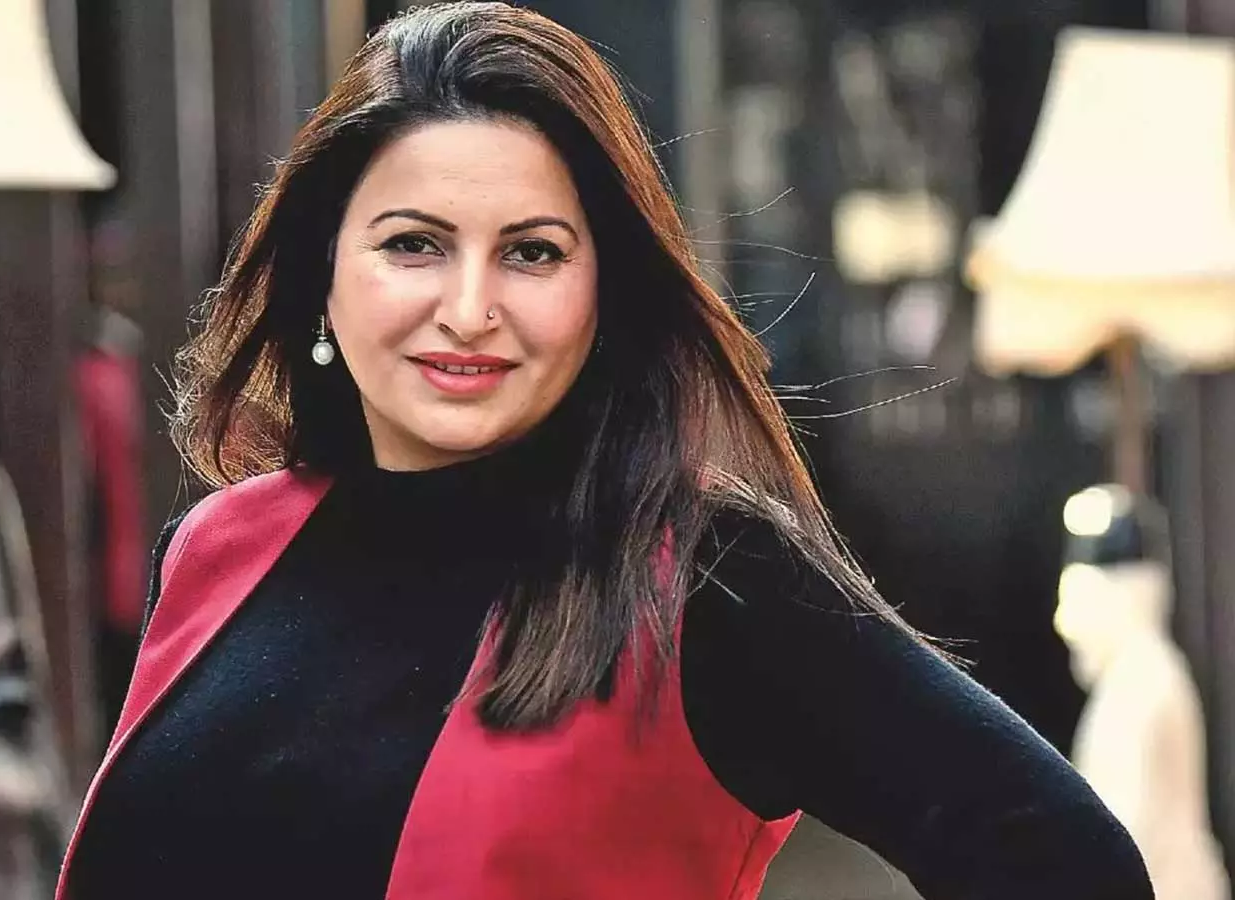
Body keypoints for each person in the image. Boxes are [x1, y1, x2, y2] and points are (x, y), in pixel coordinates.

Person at [58, 4, 1153, 898]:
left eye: (532, 252)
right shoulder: (217, 549)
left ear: (603, 293)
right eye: (414, 245)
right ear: (322, 274)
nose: (470, 309)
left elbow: (1062, 860)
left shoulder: (702, 578)